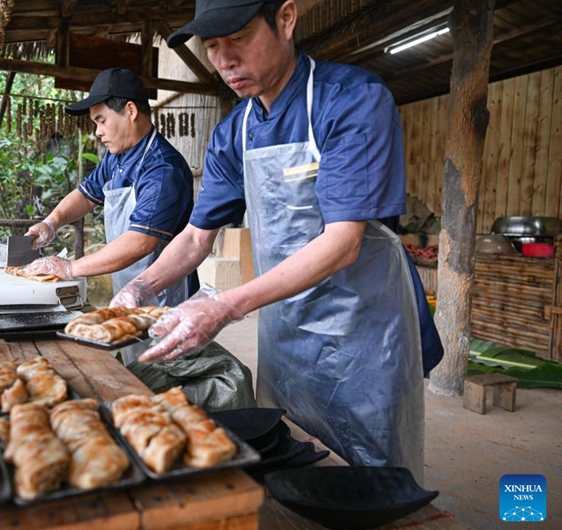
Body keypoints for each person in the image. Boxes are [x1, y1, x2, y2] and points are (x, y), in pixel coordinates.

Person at [110, 0, 437, 482]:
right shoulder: (234, 131)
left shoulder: (351, 100)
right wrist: (142, 286)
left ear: (285, 20)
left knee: (377, 473)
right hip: (287, 323)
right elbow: (198, 236)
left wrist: (224, 306)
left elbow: (345, 241)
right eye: (213, 46)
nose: (223, 60)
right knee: (291, 453)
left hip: (365, 329)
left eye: (237, 39)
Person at [24, 68, 199, 353]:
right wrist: (51, 222)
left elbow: (140, 241)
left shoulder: (163, 168)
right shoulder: (116, 157)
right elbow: (85, 194)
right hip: (128, 296)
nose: (97, 131)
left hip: (165, 302)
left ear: (130, 110)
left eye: (101, 120)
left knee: (166, 381)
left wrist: (71, 268)